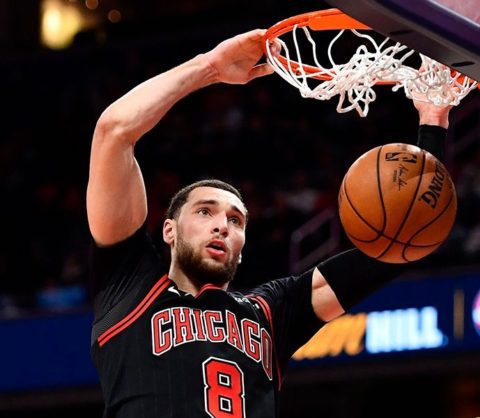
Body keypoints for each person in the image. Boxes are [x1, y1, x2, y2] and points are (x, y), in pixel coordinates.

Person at [87, 28, 454, 418]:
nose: (222, 226)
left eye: (235, 219)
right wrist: (209, 67)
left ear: (243, 248)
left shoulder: (269, 311)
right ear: (169, 230)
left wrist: (431, 123)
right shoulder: (130, 286)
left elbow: (398, 243)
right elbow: (114, 132)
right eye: (205, 211)